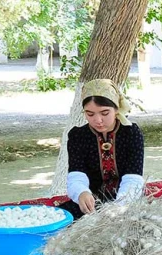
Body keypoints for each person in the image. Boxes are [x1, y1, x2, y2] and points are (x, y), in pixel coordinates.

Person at [60, 79, 145, 219]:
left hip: (127, 198)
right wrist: (81, 193)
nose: (98, 120)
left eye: (104, 113)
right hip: (91, 201)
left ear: (116, 109)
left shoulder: (131, 133)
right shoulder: (78, 136)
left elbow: (133, 176)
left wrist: (120, 207)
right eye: (90, 114)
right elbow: (76, 173)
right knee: (62, 219)